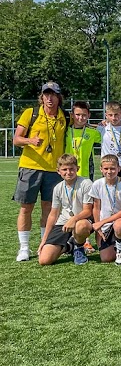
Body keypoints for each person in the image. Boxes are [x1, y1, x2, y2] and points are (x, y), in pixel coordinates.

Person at [13, 81, 71, 262]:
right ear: (42, 97)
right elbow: (16, 139)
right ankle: (24, 247)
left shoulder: (64, 116)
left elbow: (82, 121)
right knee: (26, 208)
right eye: (46, 94)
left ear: (58, 97)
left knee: (49, 208)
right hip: (30, 167)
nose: (49, 98)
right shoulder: (30, 113)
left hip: (54, 170)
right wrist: (30, 141)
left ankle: (44, 243)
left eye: (53, 94)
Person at [37, 154, 93, 266]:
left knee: (81, 226)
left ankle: (78, 248)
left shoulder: (86, 183)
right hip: (64, 222)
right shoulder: (58, 188)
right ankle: (69, 246)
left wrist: (74, 219)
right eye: (64, 169)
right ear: (58, 171)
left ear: (77, 168)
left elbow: (88, 211)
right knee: (44, 260)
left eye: (72, 169)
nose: (68, 172)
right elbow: (53, 215)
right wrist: (44, 240)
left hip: (83, 219)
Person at [89, 154, 121, 266]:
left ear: (119, 169)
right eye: (106, 168)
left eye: (113, 168)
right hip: (105, 221)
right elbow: (96, 208)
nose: (109, 171)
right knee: (106, 258)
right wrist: (98, 227)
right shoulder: (97, 184)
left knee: (119, 225)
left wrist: (103, 222)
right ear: (101, 169)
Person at [97, 101, 121, 186]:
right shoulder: (101, 130)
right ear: (106, 115)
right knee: (108, 194)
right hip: (109, 168)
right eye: (110, 115)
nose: (114, 118)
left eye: (116, 115)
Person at [65, 101, 101, 180]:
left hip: (85, 172)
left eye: (84, 115)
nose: (81, 118)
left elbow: (110, 134)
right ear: (72, 115)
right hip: (66, 171)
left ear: (89, 115)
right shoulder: (65, 130)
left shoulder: (93, 132)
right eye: (77, 115)